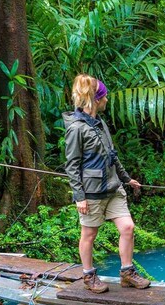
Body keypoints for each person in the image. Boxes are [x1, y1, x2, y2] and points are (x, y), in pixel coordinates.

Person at [63, 74, 151, 293]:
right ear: (96, 99)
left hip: (113, 188)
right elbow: (72, 164)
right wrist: (79, 196)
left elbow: (112, 155)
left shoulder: (100, 123)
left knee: (128, 227)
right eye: (104, 97)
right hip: (92, 193)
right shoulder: (76, 128)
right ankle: (88, 276)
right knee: (89, 235)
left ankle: (127, 273)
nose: (107, 100)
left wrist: (126, 178)